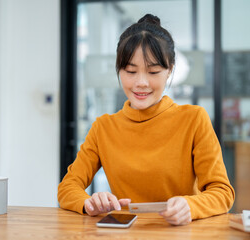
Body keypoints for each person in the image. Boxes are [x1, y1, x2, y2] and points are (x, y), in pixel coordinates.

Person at [58, 14, 235, 226]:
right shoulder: (103, 128)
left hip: (180, 233)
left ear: (169, 70)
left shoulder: (194, 119)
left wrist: (191, 207)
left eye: (153, 71)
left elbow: (222, 192)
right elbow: (68, 187)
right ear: (119, 70)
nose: (141, 83)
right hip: (125, 232)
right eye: (130, 71)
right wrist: (89, 202)